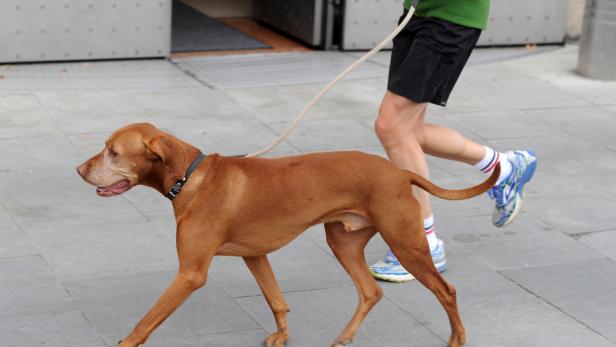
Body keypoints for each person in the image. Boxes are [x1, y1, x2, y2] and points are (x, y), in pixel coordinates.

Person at [369, 0, 537, 282]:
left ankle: (422, 243)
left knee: (392, 127)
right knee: (410, 132)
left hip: (449, 20)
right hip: (421, 13)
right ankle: (504, 166)